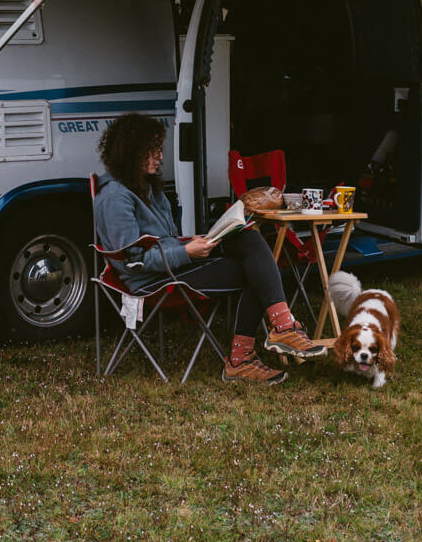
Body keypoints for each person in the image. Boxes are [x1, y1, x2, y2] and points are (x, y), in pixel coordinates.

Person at [92, 112, 328, 385]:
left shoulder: (146, 188)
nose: (160, 157)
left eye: (160, 149)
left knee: (248, 238)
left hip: (173, 266)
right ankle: (246, 356)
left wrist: (208, 240)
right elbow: (134, 262)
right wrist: (187, 252)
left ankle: (279, 329)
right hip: (151, 280)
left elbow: (165, 239)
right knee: (255, 271)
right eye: (153, 150)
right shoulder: (115, 198)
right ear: (131, 152)